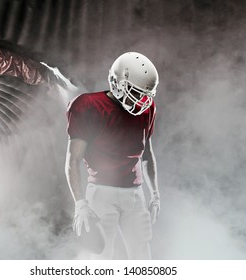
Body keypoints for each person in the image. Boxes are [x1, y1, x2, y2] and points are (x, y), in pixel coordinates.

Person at [65, 52, 160, 259]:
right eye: (136, 93)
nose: (142, 102)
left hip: (135, 194)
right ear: (116, 82)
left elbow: (146, 153)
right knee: (102, 259)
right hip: (102, 192)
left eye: (146, 95)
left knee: (143, 257)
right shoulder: (88, 105)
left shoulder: (147, 109)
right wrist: (80, 202)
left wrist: (154, 193)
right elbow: (73, 159)